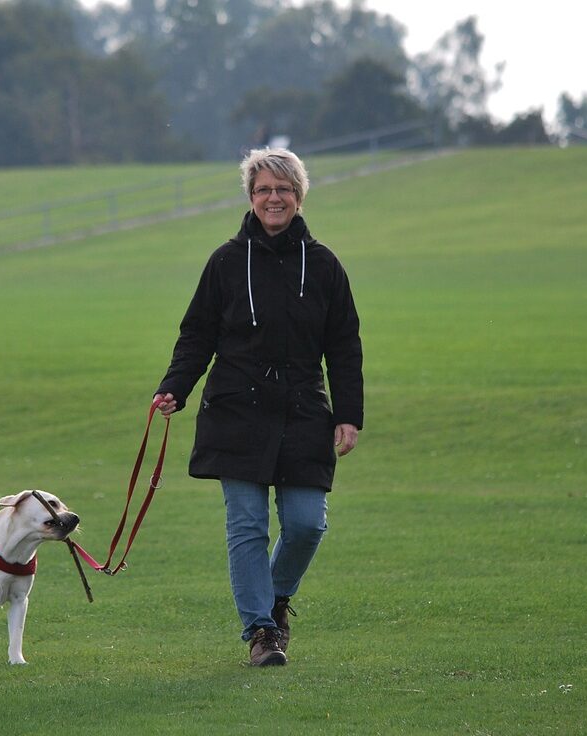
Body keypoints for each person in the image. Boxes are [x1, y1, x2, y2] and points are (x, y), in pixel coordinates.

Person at [153, 148, 364, 667]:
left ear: (299, 198)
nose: (275, 198)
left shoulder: (325, 264)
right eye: (265, 189)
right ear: (251, 197)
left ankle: (275, 599)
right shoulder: (225, 262)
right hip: (236, 409)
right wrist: (175, 387)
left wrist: (348, 413)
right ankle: (262, 632)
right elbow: (196, 334)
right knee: (246, 524)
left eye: (285, 190)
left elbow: (343, 345)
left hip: (303, 409)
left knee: (307, 523)